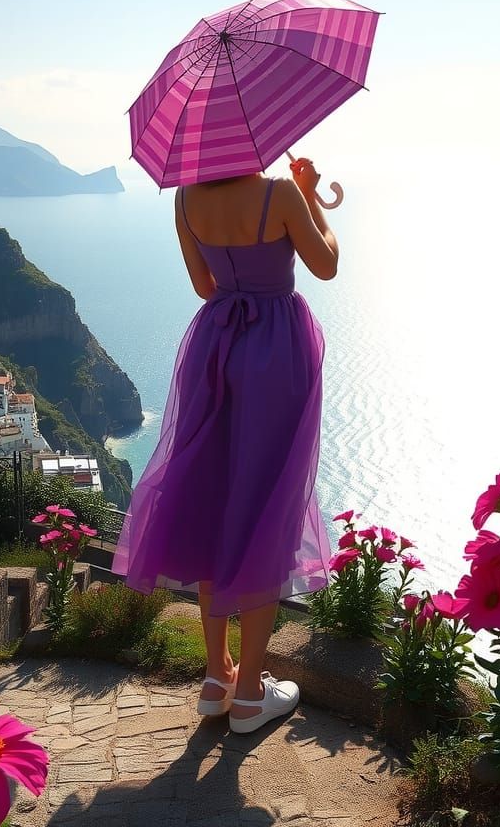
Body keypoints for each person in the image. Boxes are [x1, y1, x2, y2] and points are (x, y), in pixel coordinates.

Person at [112, 157, 338, 734]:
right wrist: (312, 199)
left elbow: (204, 286)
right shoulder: (281, 193)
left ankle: (216, 679)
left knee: (212, 505)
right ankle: (251, 693)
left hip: (215, 348)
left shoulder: (186, 198)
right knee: (266, 507)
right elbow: (326, 264)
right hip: (277, 354)